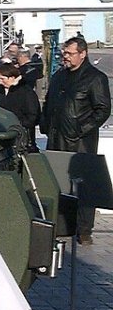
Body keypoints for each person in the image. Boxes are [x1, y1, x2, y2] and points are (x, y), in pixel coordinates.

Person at [41, 36, 111, 243]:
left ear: (82, 54)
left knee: (83, 186)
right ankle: (62, 225)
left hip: (80, 142)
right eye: (64, 53)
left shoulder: (95, 78)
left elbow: (102, 109)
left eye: (70, 54)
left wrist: (80, 129)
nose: (66, 57)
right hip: (56, 138)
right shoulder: (59, 76)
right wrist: (46, 124)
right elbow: (49, 102)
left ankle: (84, 230)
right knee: (57, 183)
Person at [0, 62, 40, 152]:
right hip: (4, 135)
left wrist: (17, 125)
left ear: (12, 77)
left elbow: (33, 116)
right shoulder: (0, 91)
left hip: (22, 138)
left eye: (2, 79)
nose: (0, 82)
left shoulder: (26, 92)